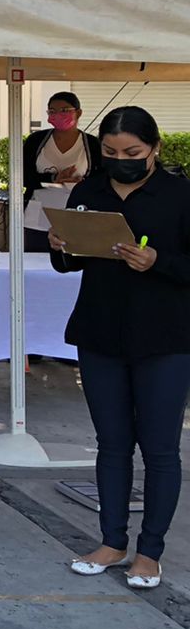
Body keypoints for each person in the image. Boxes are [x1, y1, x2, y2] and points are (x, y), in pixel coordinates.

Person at [52, 105, 190, 590]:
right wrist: (61, 244)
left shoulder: (180, 194)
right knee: (111, 444)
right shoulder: (89, 191)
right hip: (101, 332)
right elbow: (66, 266)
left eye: (132, 152)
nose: (121, 160)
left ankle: (149, 552)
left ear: (154, 149)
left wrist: (157, 260)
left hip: (166, 339)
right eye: (110, 152)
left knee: (159, 448)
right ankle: (112, 541)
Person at [21, 91, 103, 254]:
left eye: (64, 110)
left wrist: (83, 183)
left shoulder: (92, 144)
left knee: (71, 263)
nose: (58, 115)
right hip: (38, 215)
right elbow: (22, 177)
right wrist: (53, 178)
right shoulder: (36, 141)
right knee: (36, 261)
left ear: (78, 113)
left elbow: (101, 179)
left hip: (78, 215)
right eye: (52, 111)